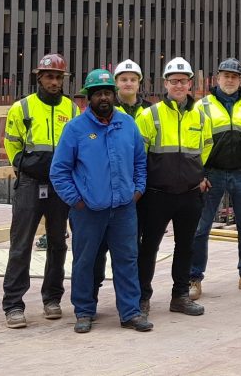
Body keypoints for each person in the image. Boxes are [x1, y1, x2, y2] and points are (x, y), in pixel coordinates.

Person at [50, 69, 152, 334]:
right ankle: (84, 311)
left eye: (107, 92)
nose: (103, 98)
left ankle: (130, 312)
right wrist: (77, 201)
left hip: (123, 210)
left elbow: (140, 162)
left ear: (114, 95)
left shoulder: (127, 124)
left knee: (127, 260)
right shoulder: (75, 129)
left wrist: (137, 191)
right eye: (98, 94)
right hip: (88, 211)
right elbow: (59, 170)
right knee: (84, 261)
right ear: (88, 98)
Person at [2, 53, 79, 328]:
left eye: (59, 77)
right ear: (40, 78)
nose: (55, 82)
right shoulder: (21, 108)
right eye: (50, 76)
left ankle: (52, 299)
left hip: (60, 186)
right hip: (30, 183)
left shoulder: (71, 109)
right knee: (21, 245)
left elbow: (76, 145)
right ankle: (13, 304)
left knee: (58, 243)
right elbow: (12, 145)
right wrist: (27, 165)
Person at [135, 57, 212, 317]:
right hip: (157, 194)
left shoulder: (200, 116)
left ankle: (180, 296)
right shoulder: (150, 115)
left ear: (190, 84)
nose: (179, 85)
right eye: (174, 81)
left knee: (185, 246)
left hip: (189, 194)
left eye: (183, 81)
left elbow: (207, 147)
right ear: (165, 84)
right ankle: (141, 298)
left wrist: (198, 174)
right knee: (149, 247)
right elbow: (138, 153)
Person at [189, 58, 241, 298]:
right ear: (217, 79)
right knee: (201, 228)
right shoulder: (202, 106)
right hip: (211, 174)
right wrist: (199, 174)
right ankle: (194, 278)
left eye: (234, 76)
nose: (230, 80)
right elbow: (193, 144)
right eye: (226, 76)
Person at [91, 59, 153, 303]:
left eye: (133, 79)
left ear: (139, 83)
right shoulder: (104, 110)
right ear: (116, 83)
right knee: (97, 250)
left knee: (133, 250)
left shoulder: (149, 111)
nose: (128, 83)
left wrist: (140, 188)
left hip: (136, 191)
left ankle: (137, 298)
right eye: (123, 79)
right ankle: (91, 298)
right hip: (104, 192)